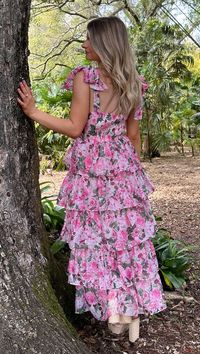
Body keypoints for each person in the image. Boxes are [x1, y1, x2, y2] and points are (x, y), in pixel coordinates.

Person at [17, 16, 167, 343]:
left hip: (94, 174)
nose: (83, 45)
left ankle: (116, 311)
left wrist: (34, 112)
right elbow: (133, 135)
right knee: (125, 242)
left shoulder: (88, 78)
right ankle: (130, 311)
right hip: (124, 171)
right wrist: (130, 172)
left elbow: (74, 127)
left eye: (87, 39)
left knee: (97, 240)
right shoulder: (132, 82)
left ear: (102, 44)